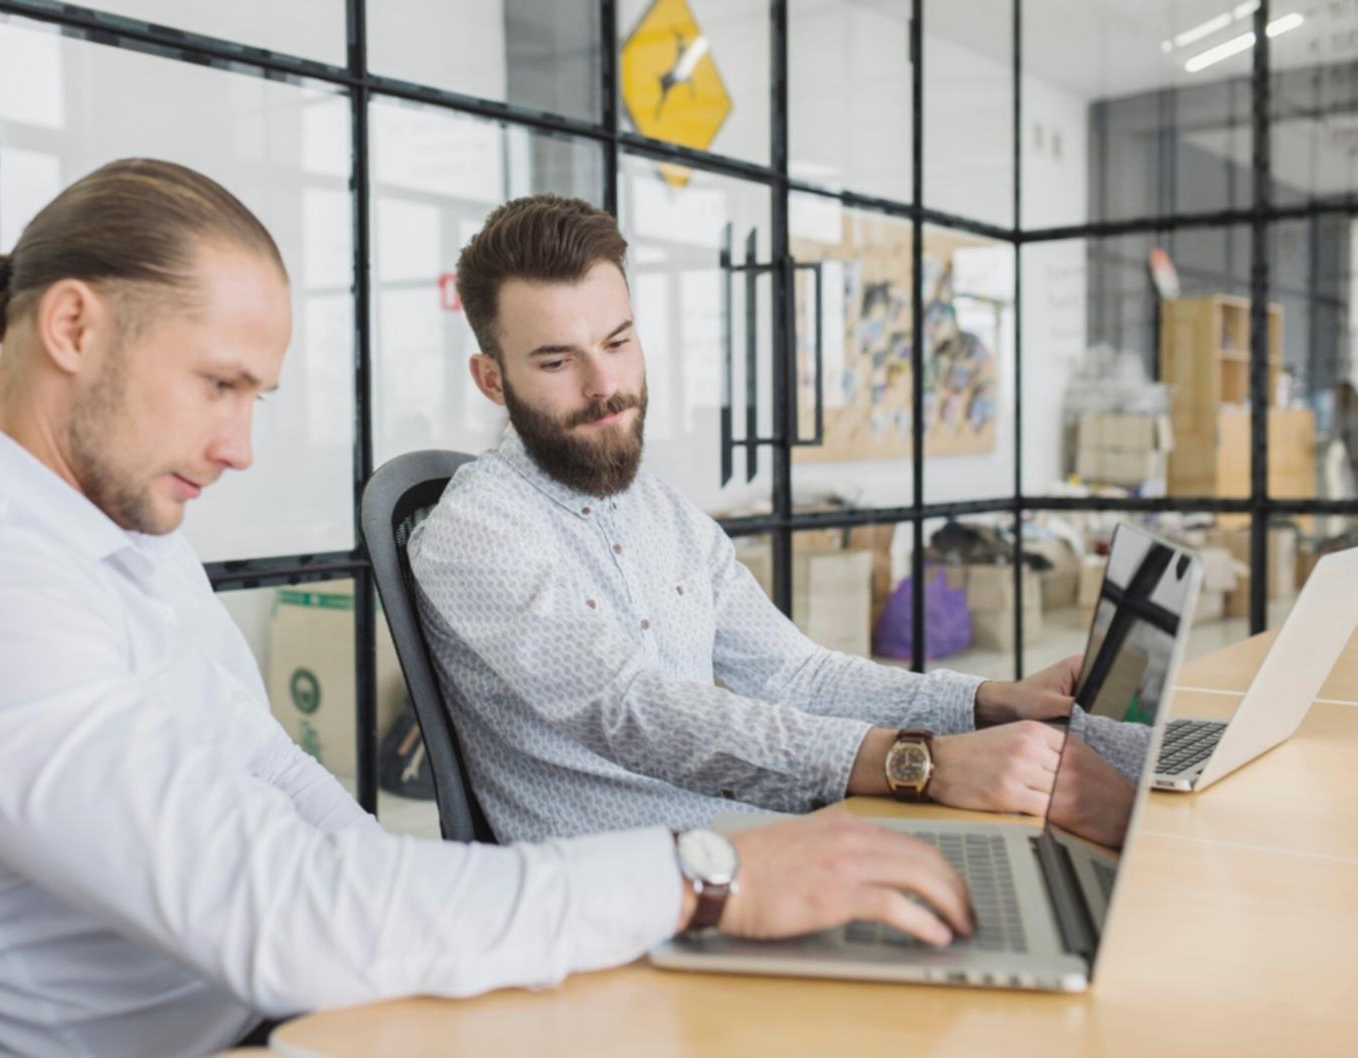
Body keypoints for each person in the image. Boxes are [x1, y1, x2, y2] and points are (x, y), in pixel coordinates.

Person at [0, 160, 977, 1058]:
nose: (241, 445)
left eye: (256, 396)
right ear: (71, 327)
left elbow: (277, 784)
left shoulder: (107, 535)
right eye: (220, 384)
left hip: (314, 1012)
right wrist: (706, 874)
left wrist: (406, 918)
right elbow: (271, 909)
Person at [408, 194, 1145, 848]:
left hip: (761, 843)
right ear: (492, 381)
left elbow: (795, 674)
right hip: (639, 900)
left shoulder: (663, 512)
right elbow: (634, 710)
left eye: (618, 343)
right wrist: (919, 761)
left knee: (1113, 777)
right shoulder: (476, 529)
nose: (607, 388)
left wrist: (984, 703)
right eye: (557, 362)